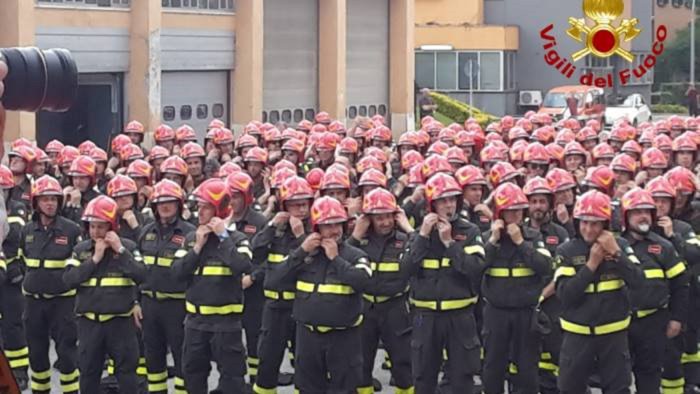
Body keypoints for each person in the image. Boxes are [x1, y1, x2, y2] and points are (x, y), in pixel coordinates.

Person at [268, 196, 372, 393]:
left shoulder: (355, 255)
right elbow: (273, 281)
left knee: (346, 388)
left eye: (338, 225)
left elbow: (363, 282)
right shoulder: (305, 254)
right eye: (328, 226)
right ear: (317, 228)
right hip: (308, 337)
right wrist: (300, 251)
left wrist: (336, 260)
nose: (334, 231)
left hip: (343, 338)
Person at [555, 190, 644, 393]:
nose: (588, 229)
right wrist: (591, 265)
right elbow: (565, 295)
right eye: (584, 222)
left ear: (606, 224)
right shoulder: (566, 250)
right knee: (569, 389)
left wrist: (618, 255)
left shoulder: (620, 245)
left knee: (618, 389)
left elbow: (639, 282)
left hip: (614, 336)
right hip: (577, 337)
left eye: (595, 223)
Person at [404, 173, 485, 394]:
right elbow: (405, 270)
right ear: (432, 204)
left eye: (452, 200)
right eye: (443, 200)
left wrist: (450, 243)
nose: (449, 205)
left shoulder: (469, 231)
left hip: (460, 316)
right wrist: (422, 236)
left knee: (462, 379)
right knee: (423, 376)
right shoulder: (420, 234)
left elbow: (475, 269)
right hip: (425, 317)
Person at [172, 179, 253, 394]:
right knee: (193, 377)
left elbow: (243, 265)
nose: (200, 212)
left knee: (233, 381)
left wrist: (223, 237)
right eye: (199, 207)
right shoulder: (191, 239)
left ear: (219, 210)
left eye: (205, 207)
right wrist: (197, 247)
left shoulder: (237, 239)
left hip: (226, 326)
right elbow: (177, 273)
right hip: (195, 324)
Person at [63, 196, 146, 393]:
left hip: (120, 324)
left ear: (112, 227)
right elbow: (69, 280)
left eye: (101, 227)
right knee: (89, 373)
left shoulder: (128, 247)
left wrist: (120, 250)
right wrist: (94, 259)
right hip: (89, 324)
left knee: (127, 375)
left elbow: (142, 274)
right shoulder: (81, 250)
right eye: (92, 227)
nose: (95, 232)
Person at [348, 189, 415, 394]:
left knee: (403, 364)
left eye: (388, 216)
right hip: (365, 307)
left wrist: (410, 230)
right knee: (361, 363)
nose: (385, 222)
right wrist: (355, 236)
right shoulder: (359, 239)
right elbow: (342, 261)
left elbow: (420, 254)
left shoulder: (405, 239)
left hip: (395, 307)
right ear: (369, 219)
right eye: (379, 217)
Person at [19, 175, 82, 394]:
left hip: (63, 305)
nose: (50, 203)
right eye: (45, 199)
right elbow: (21, 262)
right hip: (33, 304)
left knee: (66, 355)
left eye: (54, 199)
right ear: (36, 202)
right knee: (36, 355)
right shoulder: (26, 231)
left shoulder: (72, 230)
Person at [138, 180, 195, 394]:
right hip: (149, 305)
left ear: (179, 204)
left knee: (183, 359)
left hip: (177, 305)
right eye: (160, 202)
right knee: (154, 361)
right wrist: (135, 302)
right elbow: (137, 270)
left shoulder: (189, 233)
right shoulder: (145, 232)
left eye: (170, 201)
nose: (165, 206)